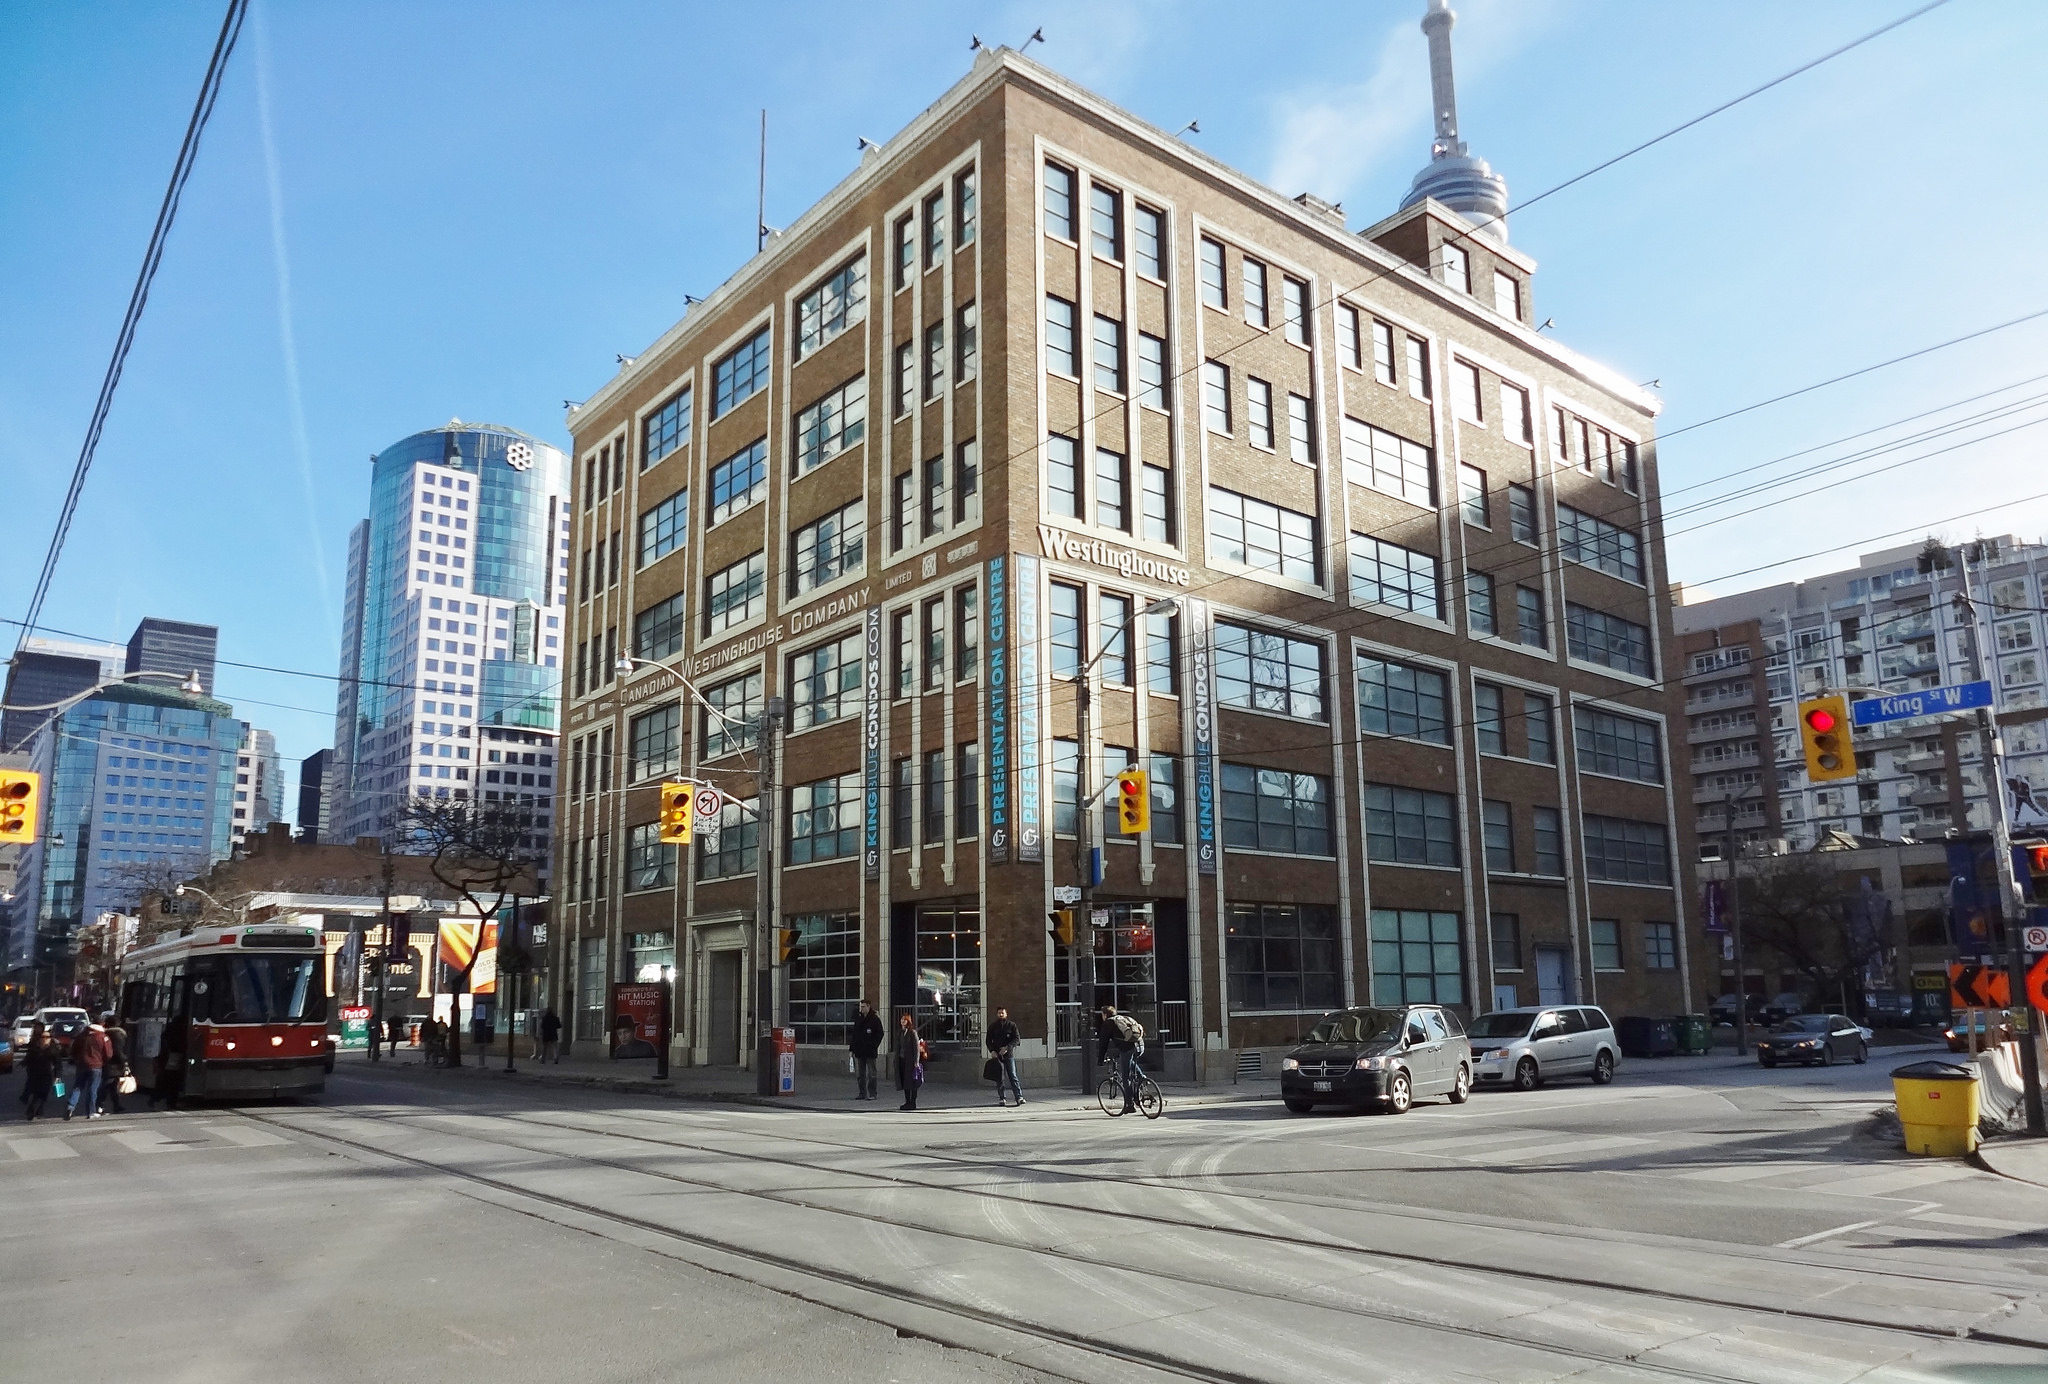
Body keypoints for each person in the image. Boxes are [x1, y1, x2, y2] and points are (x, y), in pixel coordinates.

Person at [1099, 1005, 1145, 1115]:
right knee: (1131, 1063)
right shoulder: (1123, 1018)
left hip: (1128, 1048)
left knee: (1125, 1077)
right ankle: (1142, 1077)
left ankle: (1129, 1105)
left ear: (1105, 1014)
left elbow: (1103, 1043)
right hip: (1140, 1045)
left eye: (1102, 1015)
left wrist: (1100, 1059)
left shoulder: (1108, 1023)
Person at [64, 1018, 113, 1121]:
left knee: (78, 1087)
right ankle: (90, 1112)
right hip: (96, 1066)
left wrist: (77, 1059)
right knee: (92, 1089)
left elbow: (73, 1050)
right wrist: (103, 1061)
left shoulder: (81, 1036)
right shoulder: (103, 1037)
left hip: (81, 1065)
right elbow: (108, 1054)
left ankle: (70, 1106)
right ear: (102, 1024)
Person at [986, 1006, 1023, 1107]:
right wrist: (992, 1050)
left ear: (1006, 1014)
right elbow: (988, 1040)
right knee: (1000, 1078)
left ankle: (1019, 1097)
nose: (1001, 1015)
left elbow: (1016, 1039)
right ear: (997, 1014)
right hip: (998, 1056)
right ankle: (1002, 1097)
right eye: (999, 1013)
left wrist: (1007, 1048)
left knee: (1013, 1076)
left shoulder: (1011, 1025)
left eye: (1002, 1013)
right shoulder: (993, 1026)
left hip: (1008, 1055)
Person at [848, 1000, 883, 1100]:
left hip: (870, 1051)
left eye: (863, 1007)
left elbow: (880, 1033)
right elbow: (854, 1035)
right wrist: (851, 1050)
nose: (861, 1009)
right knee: (860, 1074)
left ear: (868, 1006)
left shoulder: (875, 1019)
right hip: (859, 1051)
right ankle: (862, 1092)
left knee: (872, 1073)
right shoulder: (859, 1019)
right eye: (861, 1007)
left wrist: (874, 1045)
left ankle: (873, 1093)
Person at [20, 1022, 54, 1121]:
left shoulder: (51, 1047)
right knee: (38, 1092)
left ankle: (38, 1110)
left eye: (47, 1038)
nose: (45, 1039)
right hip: (35, 1072)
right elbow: (29, 1057)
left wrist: (58, 1074)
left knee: (43, 1093)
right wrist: (25, 1063)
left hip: (46, 1073)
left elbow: (57, 1061)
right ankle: (32, 1109)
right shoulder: (36, 1045)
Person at [98, 1011, 129, 1116]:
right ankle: (99, 1105)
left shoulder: (106, 1033)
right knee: (107, 1085)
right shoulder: (117, 1034)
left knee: (112, 1086)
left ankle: (116, 1105)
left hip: (108, 1063)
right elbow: (118, 1051)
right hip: (113, 1064)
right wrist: (124, 1061)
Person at [893, 1011, 925, 1111]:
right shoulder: (900, 1032)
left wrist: (916, 1061)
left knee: (912, 1082)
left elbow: (916, 1048)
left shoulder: (912, 1032)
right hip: (902, 1060)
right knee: (904, 1082)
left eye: (905, 1020)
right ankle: (907, 1101)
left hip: (910, 1061)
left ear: (908, 1021)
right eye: (902, 1019)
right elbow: (897, 1047)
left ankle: (913, 1102)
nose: (902, 1021)